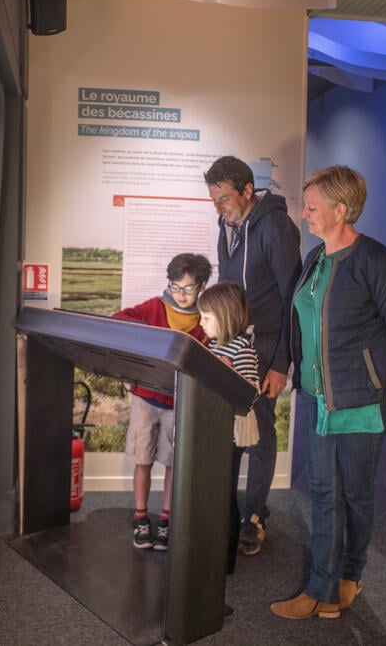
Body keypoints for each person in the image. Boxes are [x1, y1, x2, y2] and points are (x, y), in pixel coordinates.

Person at [270, 165, 386, 620]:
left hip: (361, 400)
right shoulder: (316, 259)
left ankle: (348, 577)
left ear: (341, 210)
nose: (305, 215)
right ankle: (321, 586)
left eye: (313, 207)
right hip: (317, 397)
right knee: (323, 491)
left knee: (355, 492)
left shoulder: (377, 260)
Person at [205, 155, 302, 556]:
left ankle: (254, 517)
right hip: (230, 348)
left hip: (263, 351)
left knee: (259, 437)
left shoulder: (276, 227)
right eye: (213, 200)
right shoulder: (227, 226)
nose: (219, 207)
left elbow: (291, 299)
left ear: (248, 191)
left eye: (224, 198)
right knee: (228, 434)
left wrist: (282, 363)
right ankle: (225, 512)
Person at [113, 252, 212, 551]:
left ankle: (167, 518)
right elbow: (119, 322)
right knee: (143, 458)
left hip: (179, 401)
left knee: (172, 462)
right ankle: (141, 516)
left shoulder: (207, 317)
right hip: (145, 397)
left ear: (202, 286)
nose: (181, 295)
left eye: (188, 288)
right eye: (175, 286)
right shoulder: (154, 307)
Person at [197, 281, 261, 576]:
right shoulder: (212, 345)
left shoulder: (243, 349)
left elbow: (250, 393)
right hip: (214, 427)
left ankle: (226, 561)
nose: (201, 323)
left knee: (225, 494)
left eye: (206, 317)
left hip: (232, 432)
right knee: (210, 491)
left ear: (224, 316)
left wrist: (227, 372)